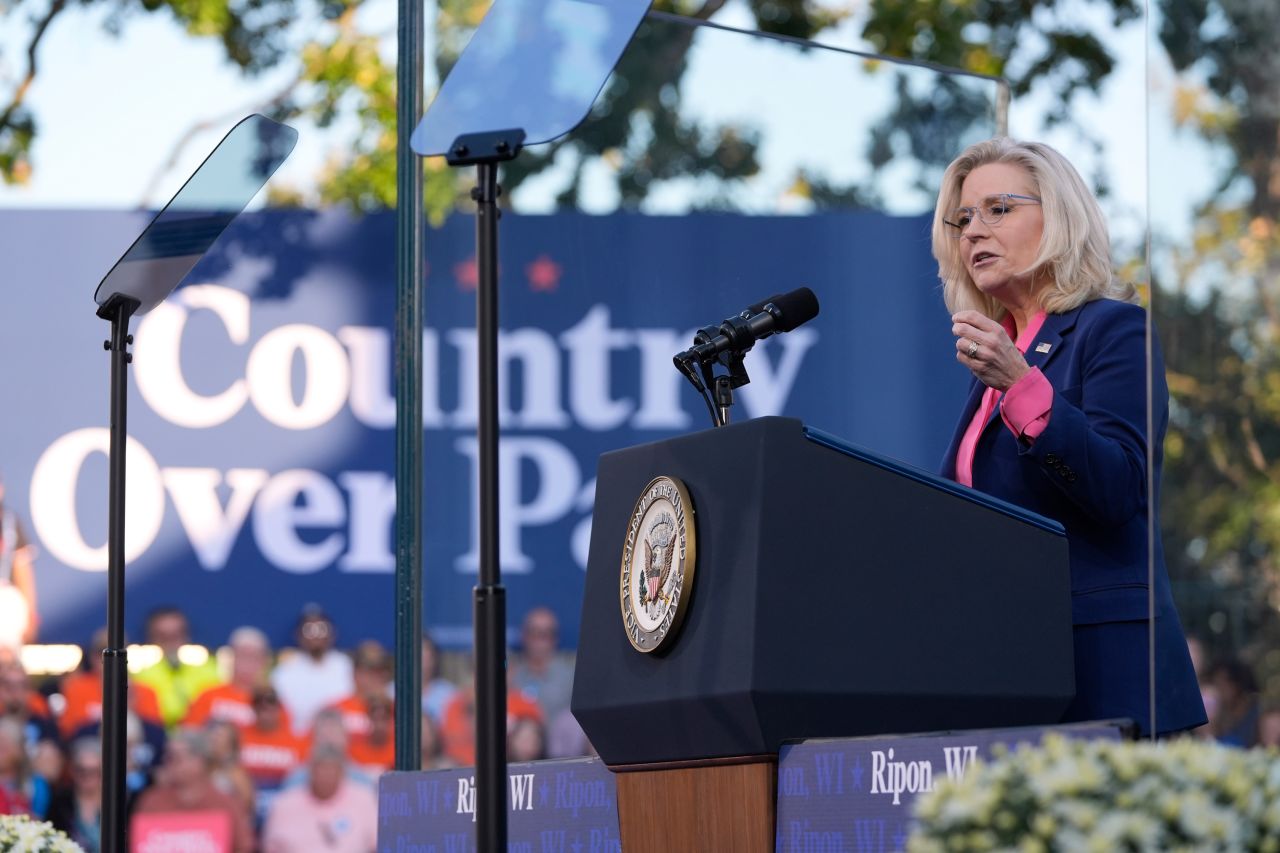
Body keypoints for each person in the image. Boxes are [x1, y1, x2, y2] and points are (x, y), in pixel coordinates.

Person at [934, 137, 1205, 737]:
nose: (974, 230)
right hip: (1011, 668)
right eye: (963, 218)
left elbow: (1117, 486)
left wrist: (1024, 387)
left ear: (1058, 218)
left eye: (998, 209)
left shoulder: (1113, 330)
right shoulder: (1000, 358)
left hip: (1101, 671)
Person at [132, 728, 254, 853]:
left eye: (174, 757)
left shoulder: (225, 804)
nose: (167, 763)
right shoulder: (152, 802)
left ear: (198, 761)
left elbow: (243, 847)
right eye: (166, 757)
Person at [261, 743, 378, 853]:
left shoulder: (364, 801)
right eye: (321, 768)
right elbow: (271, 847)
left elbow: (376, 845)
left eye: (331, 769)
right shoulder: (285, 804)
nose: (325, 775)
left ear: (341, 773)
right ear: (310, 771)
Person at [131, 607, 221, 728]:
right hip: (153, 737)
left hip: (200, 738)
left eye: (176, 635)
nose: (170, 643)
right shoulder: (136, 670)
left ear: (187, 636)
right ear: (150, 638)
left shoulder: (209, 668)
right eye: (163, 637)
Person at [271, 605, 353, 736]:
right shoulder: (283, 673)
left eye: (321, 628)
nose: (315, 635)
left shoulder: (347, 667)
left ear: (332, 633)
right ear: (298, 635)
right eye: (308, 630)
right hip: (299, 744)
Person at [185, 626, 278, 729]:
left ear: (264, 662)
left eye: (254, 657)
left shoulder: (270, 704)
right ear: (231, 658)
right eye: (242, 655)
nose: (247, 663)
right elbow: (189, 734)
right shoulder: (209, 696)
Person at [510, 607, 574, 725]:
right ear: (524, 636)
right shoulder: (512, 675)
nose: (539, 641)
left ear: (555, 639)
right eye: (534, 633)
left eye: (545, 634)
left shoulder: (570, 678)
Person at [0, 473, 38, 649]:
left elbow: (21, 568)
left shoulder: (10, 521)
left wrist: (30, 613)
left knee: (9, 657)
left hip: (5, 599)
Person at [46, 737, 103, 852]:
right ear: (72, 770)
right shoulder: (60, 801)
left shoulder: (117, 803)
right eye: (81, 770)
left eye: (94, 771)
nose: (87, 777)